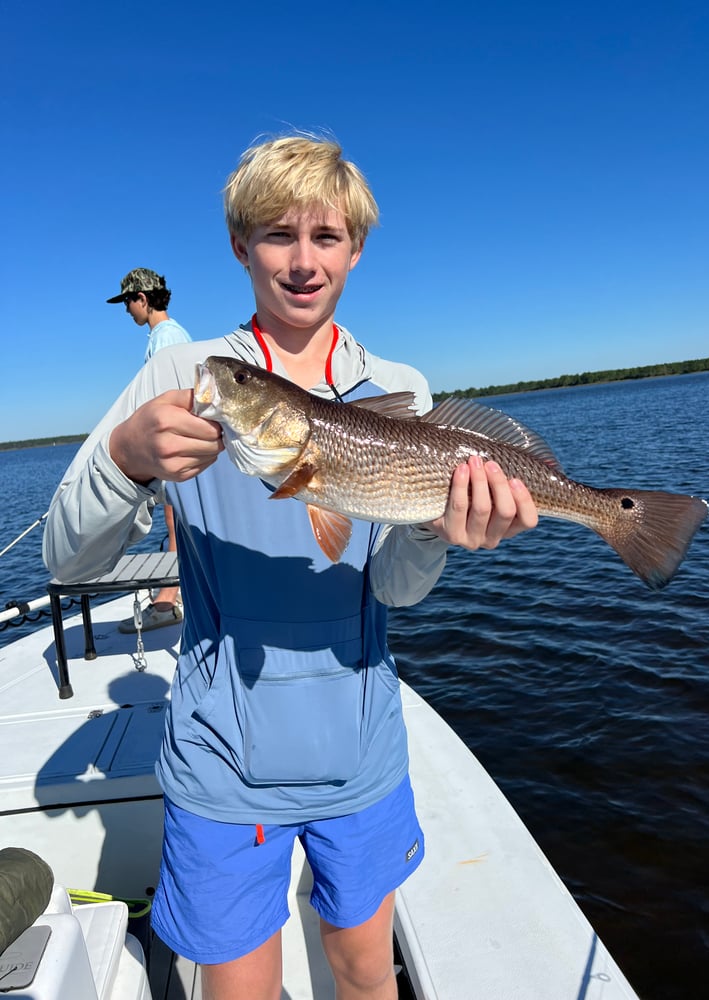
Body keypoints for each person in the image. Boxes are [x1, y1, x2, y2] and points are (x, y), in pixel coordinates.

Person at [44, 134, 538, 1000]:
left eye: (327, 237)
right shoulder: (184, 373)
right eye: (278, 235)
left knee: (363, 970)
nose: (303, 261)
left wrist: (436, 532)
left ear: (355, 248)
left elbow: (393, 589)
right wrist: (125, 457)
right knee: (238, 988)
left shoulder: (398, 386)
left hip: (364, 749)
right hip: (220, 764)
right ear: (240, 246)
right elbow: (65, 559)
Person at [106, 268, 192, 631]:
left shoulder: (166, 338)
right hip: (178, 448)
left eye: (127, 302)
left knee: (176, 528)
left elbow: (167, 398)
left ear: (142, 298)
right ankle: (175, 596)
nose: (126, 310)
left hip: (174, 449)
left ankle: (166, 604)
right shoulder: (172, 335)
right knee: (180, 527)